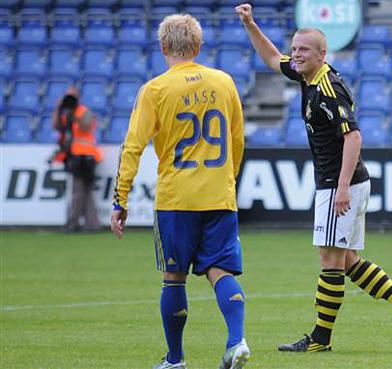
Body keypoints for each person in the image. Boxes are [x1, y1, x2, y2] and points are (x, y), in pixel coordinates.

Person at [236, 4, 392, 353]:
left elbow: (353, 137)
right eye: (294, 48)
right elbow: (271, 57)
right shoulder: (305, 74)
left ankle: (320, 339)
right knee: (348, 260)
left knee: (330, 260)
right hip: (346, 182)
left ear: (321, 53)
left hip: (338, 183)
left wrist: (340, 188)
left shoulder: (328, 87)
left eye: (303, 50)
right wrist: (251, 25)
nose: (295, 55)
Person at [110, 14, 249, 369]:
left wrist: (120, 198)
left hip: (177, 199)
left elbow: (133, 147)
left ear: (163, 47)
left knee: (174, 277)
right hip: (220, 195)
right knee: (220, 270)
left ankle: (175, 360)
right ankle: (236, 341)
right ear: (198, 46)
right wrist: (227, 179)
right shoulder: (224, 82)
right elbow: (236, 139)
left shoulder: (156, 90)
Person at [51, 87, 102, 232]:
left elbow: (86, 127)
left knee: (78, 190)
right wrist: (58, 108)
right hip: (77, 156)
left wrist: (73, 115)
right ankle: (93, 224)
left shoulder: (83, 111)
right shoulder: (66, 113)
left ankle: (72, 224)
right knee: (85, 190)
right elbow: (56, 126)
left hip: (85, 156)